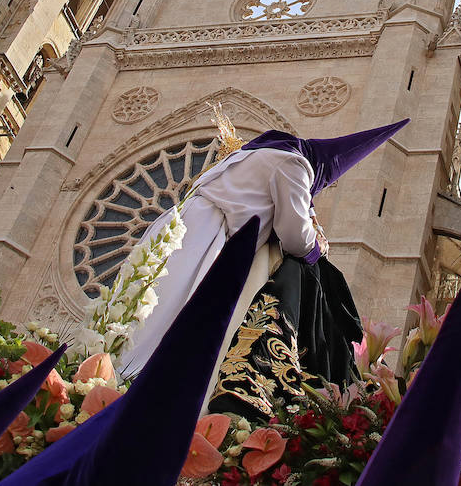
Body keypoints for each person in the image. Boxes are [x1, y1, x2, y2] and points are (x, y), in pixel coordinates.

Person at [115, 117, 409, 395]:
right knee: (175, 312)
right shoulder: (295, 164)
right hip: (210, 237)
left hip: (178, 226)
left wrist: (308, 210)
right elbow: (294, 233)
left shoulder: (255, 153)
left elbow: (290, 202)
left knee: (147, 304)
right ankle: (135, 381)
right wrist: (316, 249)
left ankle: (109, 376)